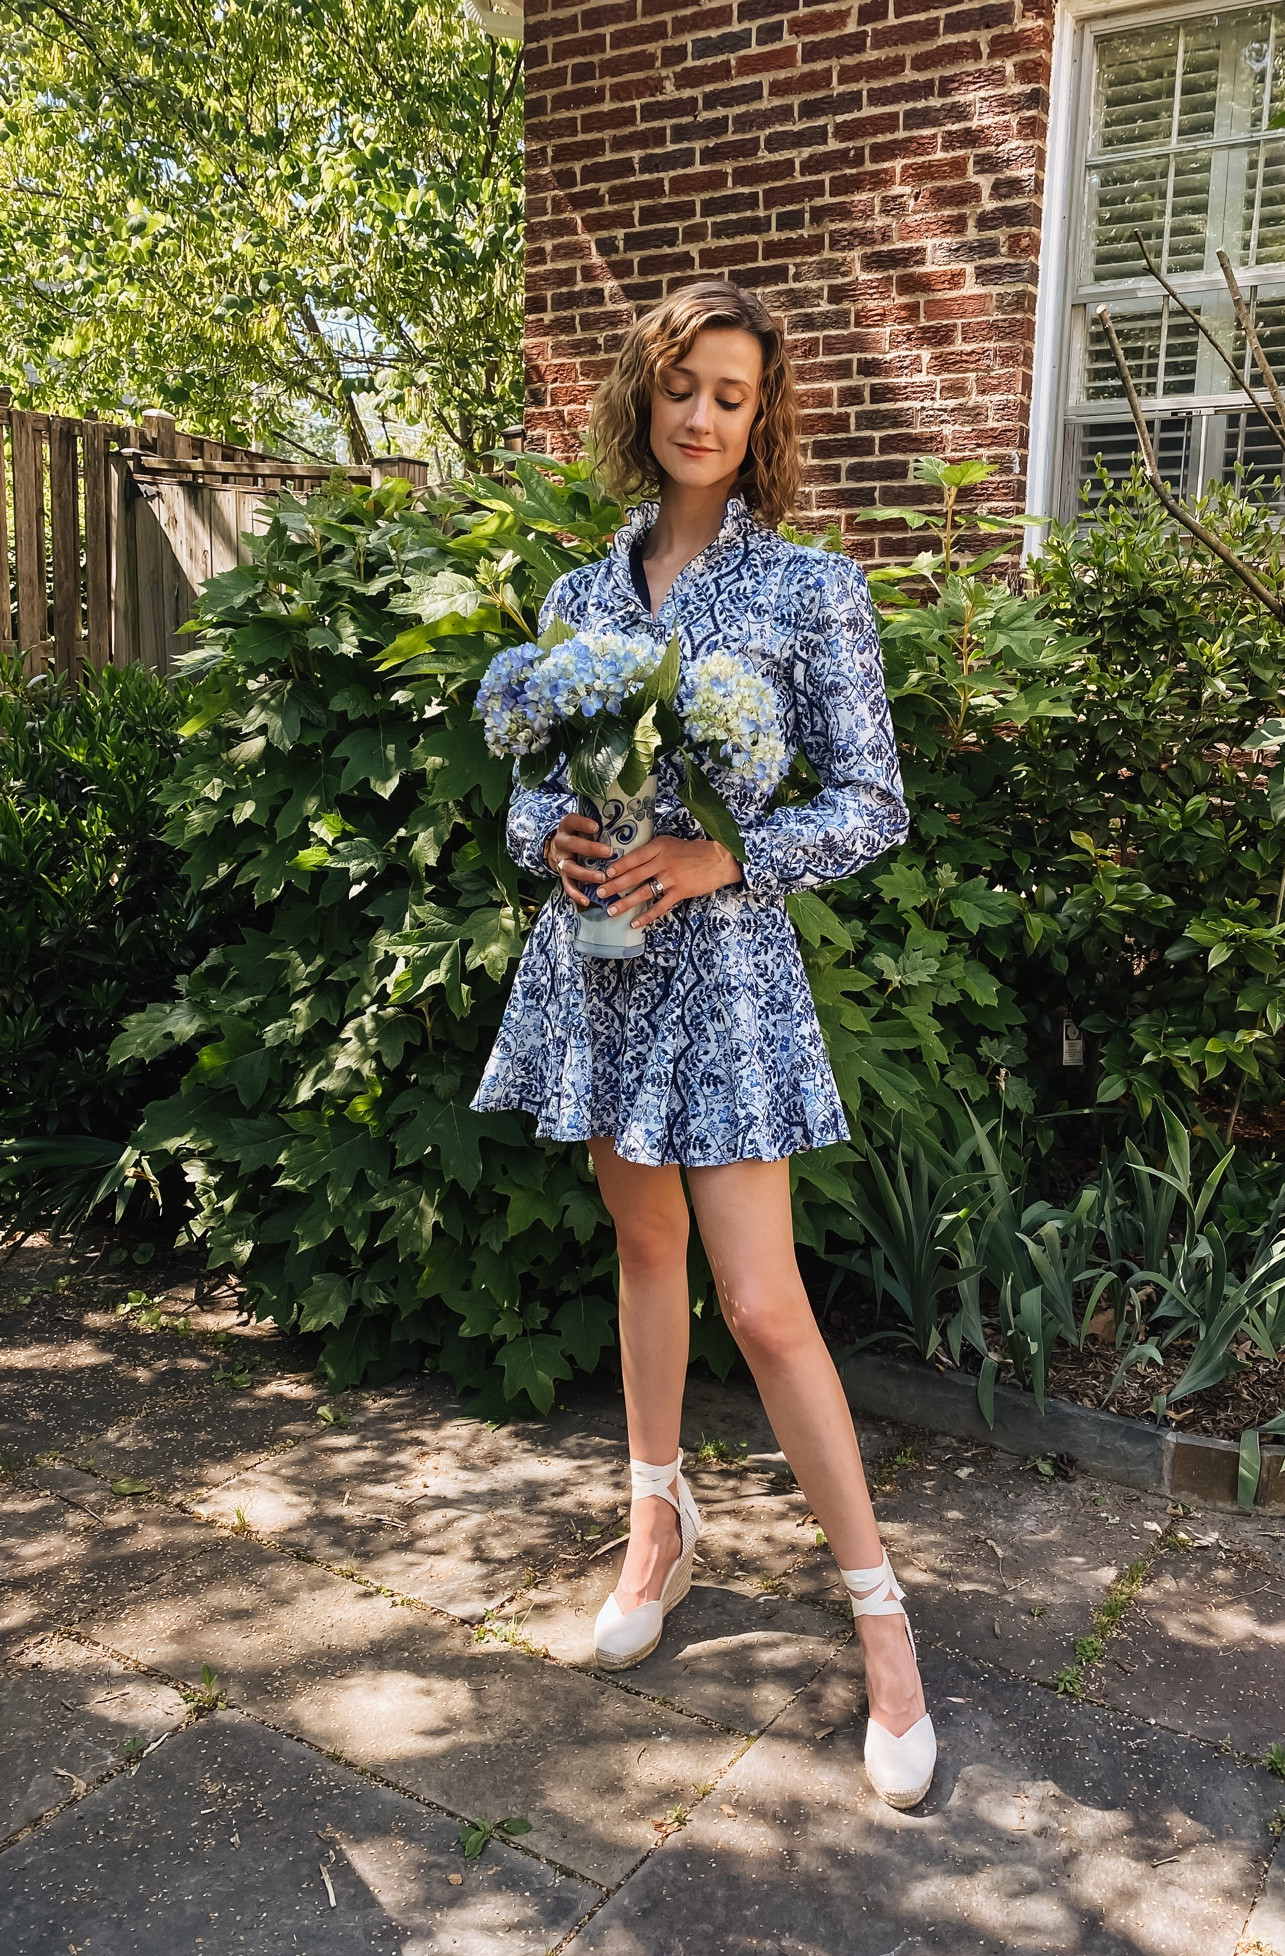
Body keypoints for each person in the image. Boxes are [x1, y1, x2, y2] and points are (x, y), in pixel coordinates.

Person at [471, 277, 933, 1807]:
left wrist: (722, 856)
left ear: (760, 419)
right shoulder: (577, 601)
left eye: (731, 395)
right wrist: (556, 842)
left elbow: (872, 804)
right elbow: (532, 785)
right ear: (643, 396)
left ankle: (883, 1625)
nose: (702, 415)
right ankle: (655, 1531)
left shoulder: (814, 590)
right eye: (682, 386)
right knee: (645, 1253)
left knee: (765, 1300)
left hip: (723, 971)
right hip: (600, 966)